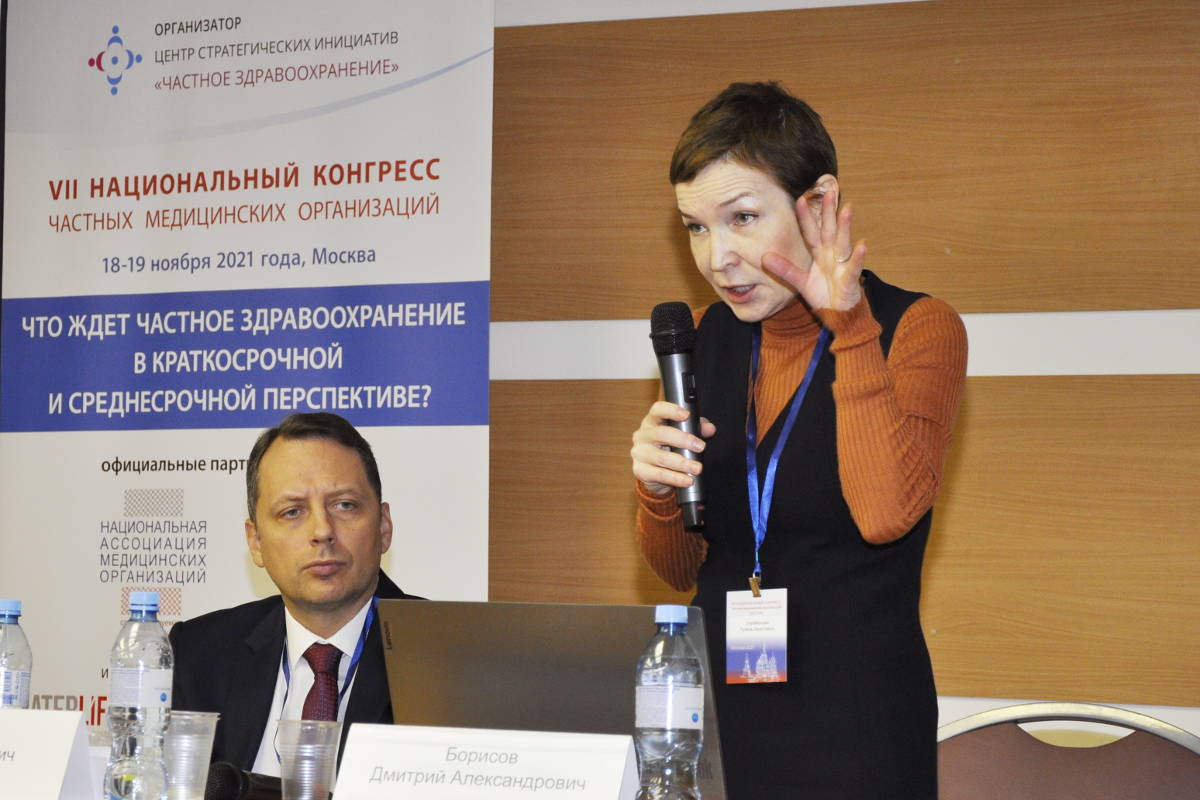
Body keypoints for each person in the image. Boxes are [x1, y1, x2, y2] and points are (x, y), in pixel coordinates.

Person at [630, 82, 967, 798]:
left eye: (742, 218)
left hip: (858, 732)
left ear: (817, 205)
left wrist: (850, 326)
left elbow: (885, 514)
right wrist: (657, 491)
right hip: (720, 726)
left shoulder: (917, 328)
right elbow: (679, 568)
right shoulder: (702, 340)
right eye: (696, 228)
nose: (718, 258)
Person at [170, 412, 419, 775]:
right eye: (292, 512)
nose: (322, 531)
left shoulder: (450, 657)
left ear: (383, 526)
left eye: (344, 505)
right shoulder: (198, 653)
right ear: (256, 541)